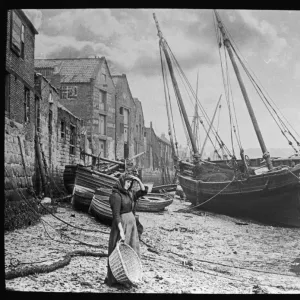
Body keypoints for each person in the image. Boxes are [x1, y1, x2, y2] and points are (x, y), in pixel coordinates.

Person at [104, 173, 148, 288]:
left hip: (131, 226)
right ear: (122, 181)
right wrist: (121, 231)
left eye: (130, 183)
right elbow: (116, 215)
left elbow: (143, 192)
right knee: (119, 250)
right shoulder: (116, 195)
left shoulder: (129, 194)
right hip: (121, 226)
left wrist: (138, 179)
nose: (128, 185)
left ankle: (128, 276)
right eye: (127, 182)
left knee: (130, 248)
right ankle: (116, 278)